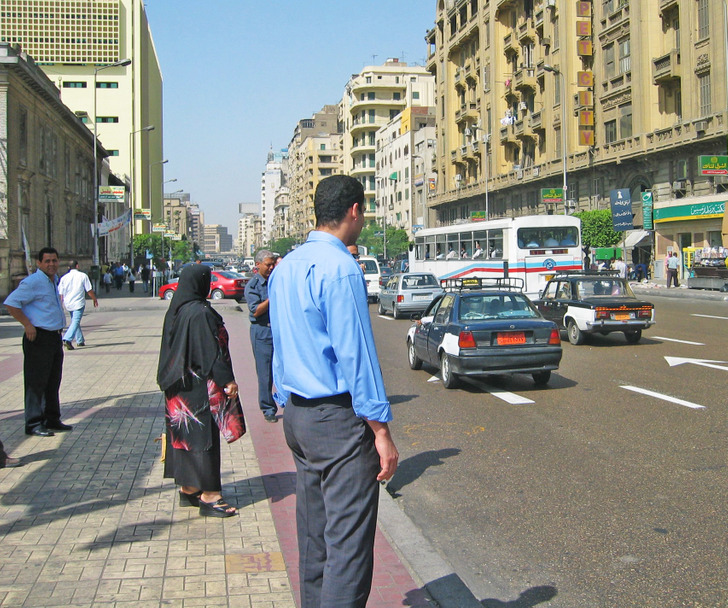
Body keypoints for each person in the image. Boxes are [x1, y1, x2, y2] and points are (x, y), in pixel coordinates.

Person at [269, 175, 398, 608]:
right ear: (355, 211)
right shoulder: (341, 267)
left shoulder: (286, 266)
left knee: (313, 536)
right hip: (338, 422)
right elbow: (356, 357)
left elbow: (280, 346)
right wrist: (380, 431)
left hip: (298, 416)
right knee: (348, 547)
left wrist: (283, 402)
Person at [157, 264, 245, 517]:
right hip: (198, 389)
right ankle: (210, 496)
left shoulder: (177, 310)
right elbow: (210, 352)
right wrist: (227, 380)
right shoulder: (200, 312)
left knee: (184, 439)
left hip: (178, 389)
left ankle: (189, 487)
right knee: (204, 440)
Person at [4, 247, 72, 437]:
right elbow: (11, 302)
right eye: (47, 261)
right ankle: (34, 423)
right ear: (39, 263)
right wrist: (27, 324)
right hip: (38, 337)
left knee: (53, 380)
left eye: (54, 260)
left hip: (54, 337)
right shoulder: (33, 281)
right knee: (36, 383)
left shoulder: (53, 281)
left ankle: (52, 418)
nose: (51, 264)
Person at [244, 250, 278, 423]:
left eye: (273, 264)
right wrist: (273, 298)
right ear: (258, 265)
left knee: (282, 369)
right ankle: (268, 408)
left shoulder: (276, 281)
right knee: (265, 373)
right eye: (268, 264)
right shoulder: (253, 285)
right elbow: (256, 310)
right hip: (262, 331)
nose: (271, 267)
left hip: (278, 331)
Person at [57, 261, 99, 350]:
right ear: (77, 266)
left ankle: (80, 340)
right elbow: (89, 289)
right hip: (78, 303)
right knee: (75, 321)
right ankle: (67, 339)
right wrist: (94, 299)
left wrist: (60, 303)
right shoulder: (83, 276)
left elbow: (60, 293)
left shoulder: (64, 278)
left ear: (69, 267)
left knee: (74, 321)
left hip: (68, 303)